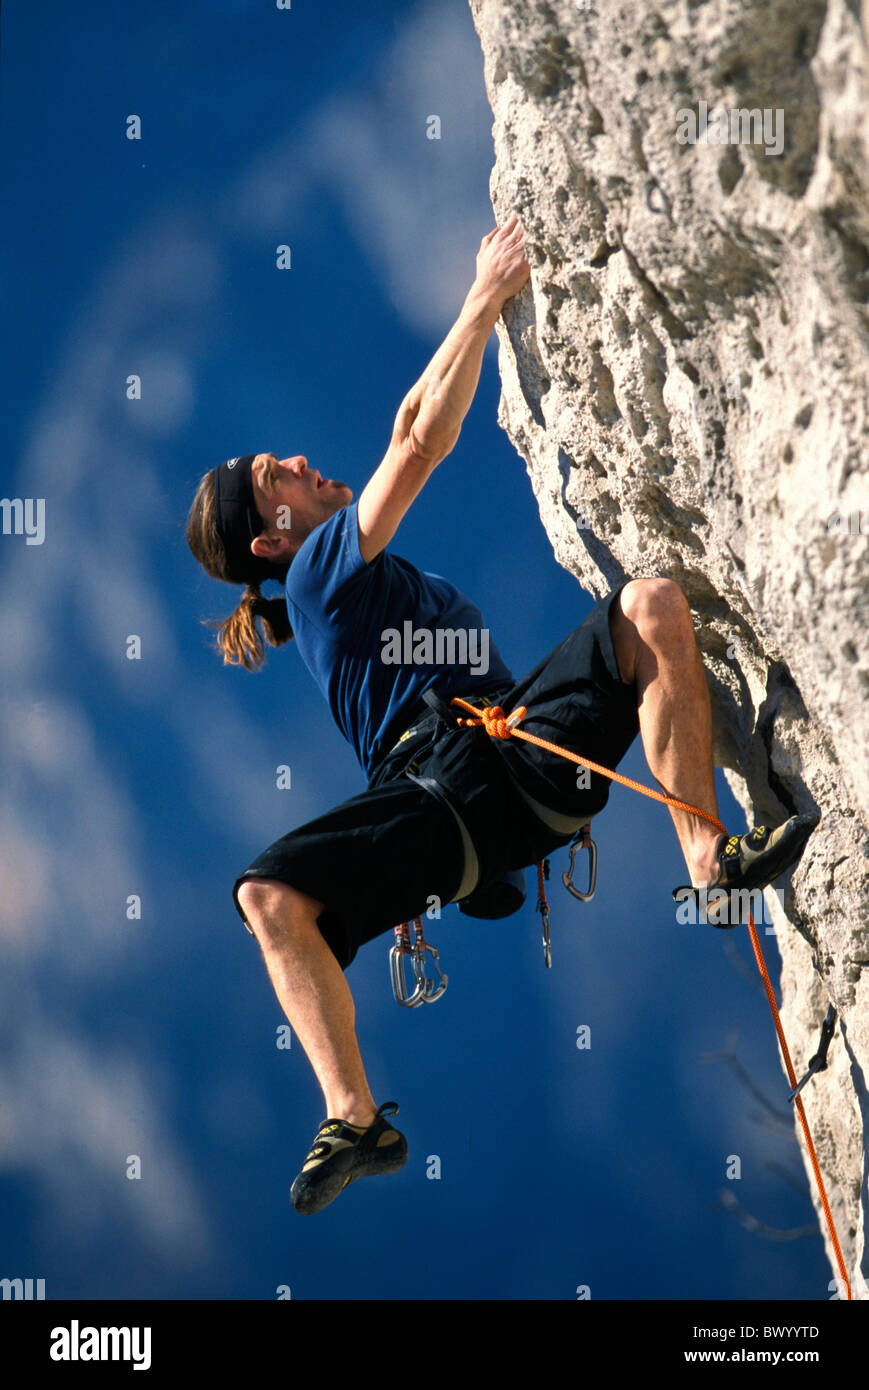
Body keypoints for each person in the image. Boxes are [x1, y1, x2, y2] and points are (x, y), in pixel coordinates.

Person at [186, 214, 818, 1215]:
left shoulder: (362, 573)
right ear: (271, 535)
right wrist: (482, 296)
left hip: (514, 759)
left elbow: (403, 421)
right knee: (267, 896)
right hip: (433, 790)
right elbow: (421, 439)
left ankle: (706, 863)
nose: (299, 461)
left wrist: (477, 307)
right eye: (276, 476)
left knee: (650, 608)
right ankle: (353, 1117)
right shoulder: (314, 577)